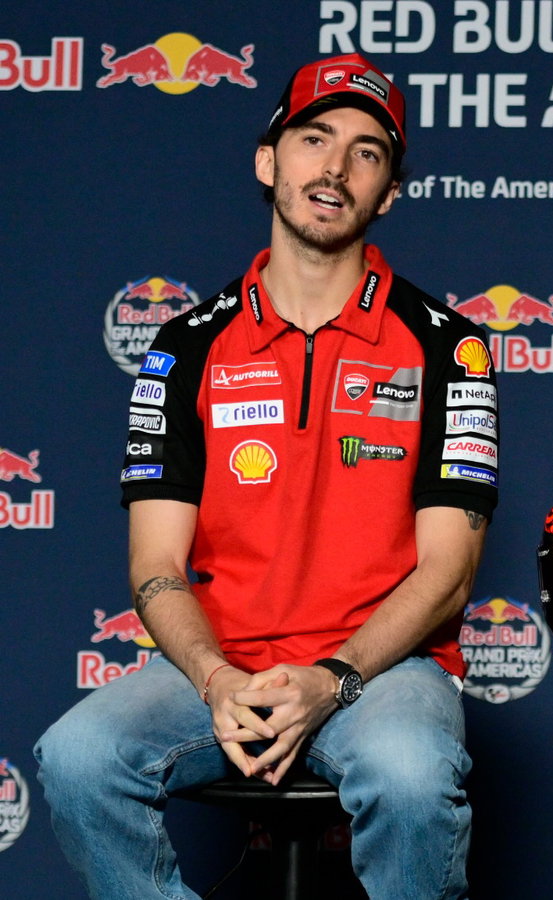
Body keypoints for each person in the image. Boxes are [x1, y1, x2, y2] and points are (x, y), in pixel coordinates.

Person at [35, 53, 498, 899]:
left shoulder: (449, 345)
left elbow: (450, 573)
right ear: (267, 160)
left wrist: (333, 679)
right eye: (314, 137)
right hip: (221, 671)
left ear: (389, 192)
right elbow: (154, 566)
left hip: (381, 675)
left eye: (367, 152)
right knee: (77, 757)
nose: (335, 167)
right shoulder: (182, 349)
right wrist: (216, 680)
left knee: (409, 777)